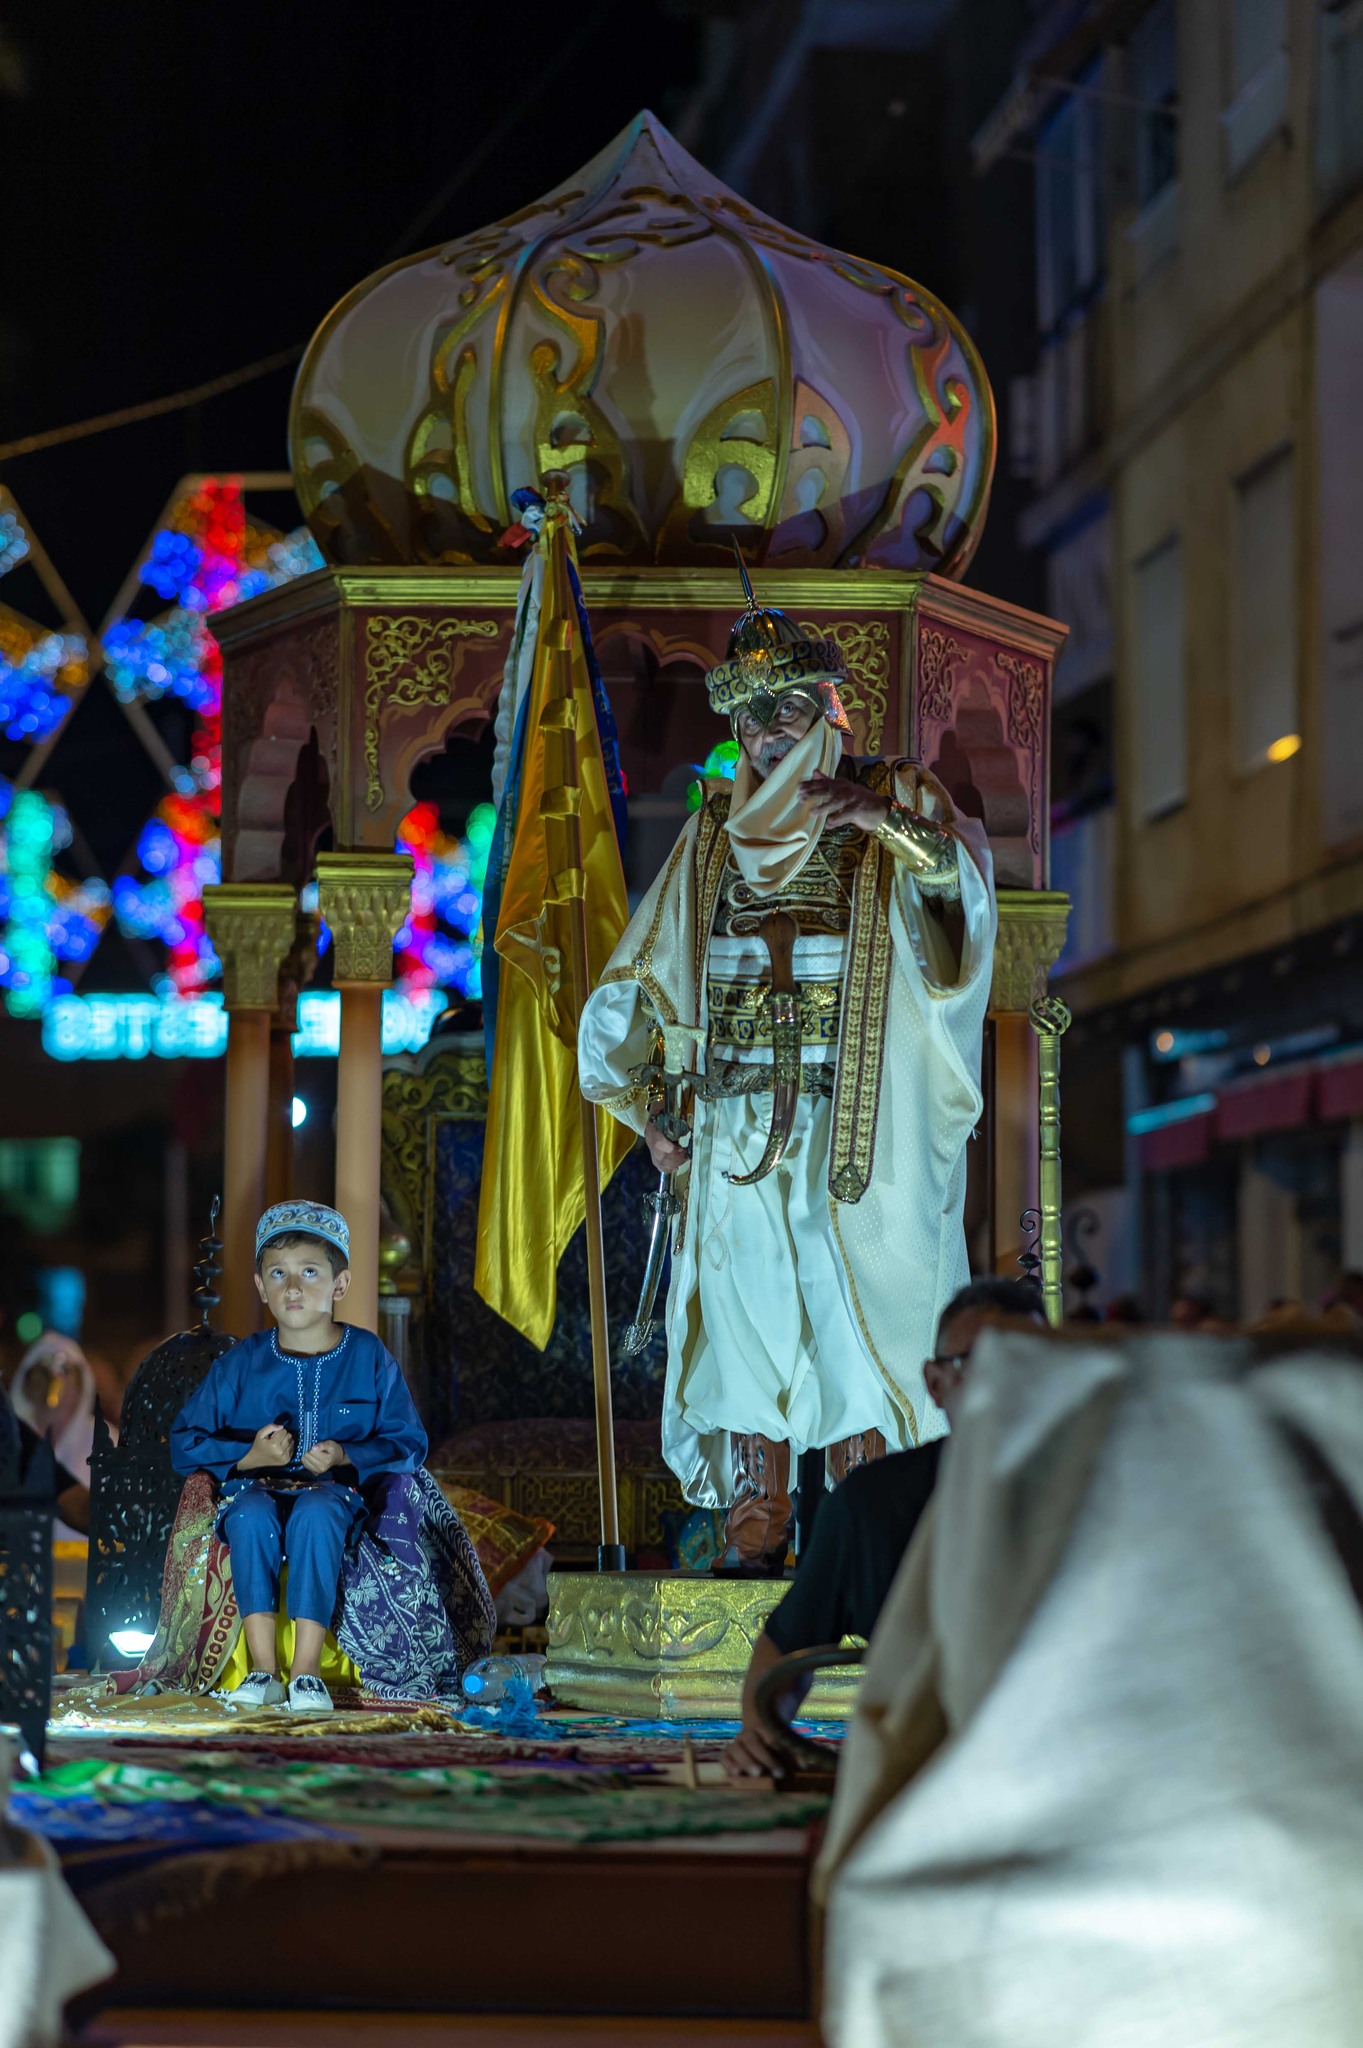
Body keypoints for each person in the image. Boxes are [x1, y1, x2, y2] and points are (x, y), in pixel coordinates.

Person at [578, 562, 996, 1568]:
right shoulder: (710, 833)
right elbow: (647, 980)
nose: (768, 734)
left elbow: (960, 914)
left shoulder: (894, 797)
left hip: (857, 1127)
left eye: (788, 711)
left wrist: (879, 822)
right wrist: (652, 1107)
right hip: (732, 1127)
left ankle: (863, 1534)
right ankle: (753, 1528)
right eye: (751, 718)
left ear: (828, 710)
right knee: (741, 1318)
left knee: (854, 1319)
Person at [723, 1276, 1042, 1779]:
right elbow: (788, 1643)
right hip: (917, 1768)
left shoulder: (1098, 1490)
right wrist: (761, 1735)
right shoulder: (872, 1505)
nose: (1007, 1383)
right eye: (980, 1363)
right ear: (936, 1383)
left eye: (1031, 1362)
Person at [171, 1201, 427, 1717]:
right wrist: (248, 1456)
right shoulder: (242, 1362)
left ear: (340, 1284)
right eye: (278, 1274)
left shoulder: (368, 1356)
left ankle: (306, 1672)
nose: (293, 1288)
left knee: (316, 1512)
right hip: (253, 1492)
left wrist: (346, 1454)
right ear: (261, 1287)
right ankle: (264, 1671)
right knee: (249, 1516)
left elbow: (409, 1441)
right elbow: (185, 1440)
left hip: (337, 1497)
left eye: (309, 1272)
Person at [9, 1331, 106, 1538]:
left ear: (81, 1383)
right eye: (43, 1372)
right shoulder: (12, 1443)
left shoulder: (107, 1443)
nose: (55, 1382)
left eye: (65, 1371)